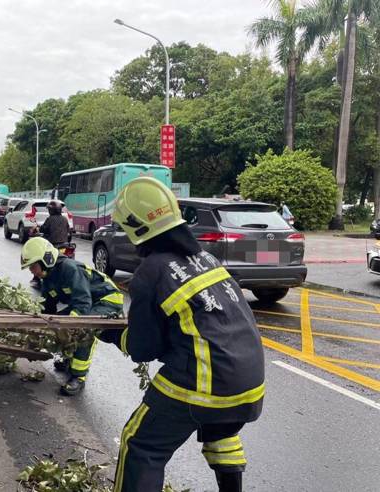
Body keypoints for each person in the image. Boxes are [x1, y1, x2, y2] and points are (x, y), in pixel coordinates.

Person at [98, 177, 265, 492]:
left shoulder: (150, 272)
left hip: (203, 383)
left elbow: (143, 349)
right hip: (250, 383)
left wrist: (111, 334)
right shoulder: (207, 259)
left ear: (136, 226)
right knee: (221, 432)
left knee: (141, 445)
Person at [20, 237, 123, 395]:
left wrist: (69, 324)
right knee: (61, 324)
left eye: (33, 266)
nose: (32, 271)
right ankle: (69, 359)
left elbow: (82, 302)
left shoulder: (69, 269)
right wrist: (41, 325)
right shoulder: (47, 279)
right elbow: (48, 308)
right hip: (87, 302)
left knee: (82, 330)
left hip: (107, 300)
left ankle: (78, 377)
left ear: (46, 260)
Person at [30, 200, 72, 286]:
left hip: (52, 245)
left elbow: (43, 229)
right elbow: (68, 230)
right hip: (65, 244)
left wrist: (38, 229)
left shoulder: (50, 219)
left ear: (51, 210)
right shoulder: (64, 219)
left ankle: (36, 278)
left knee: (38, 258)